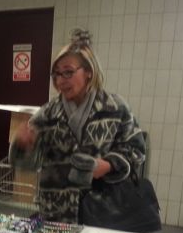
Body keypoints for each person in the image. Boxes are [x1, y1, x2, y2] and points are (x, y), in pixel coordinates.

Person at [10, 28, 145, 223]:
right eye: (56, 74)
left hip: (104, 213)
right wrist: (24, 145)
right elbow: (28, 165)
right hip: (56, 214)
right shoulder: (47, 114)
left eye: (68, 72)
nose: (60, 81)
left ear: (89, 72)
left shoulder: (114, 108)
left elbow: (136, 149)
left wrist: (108, 165)